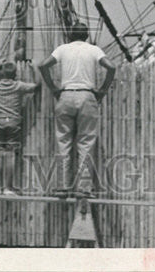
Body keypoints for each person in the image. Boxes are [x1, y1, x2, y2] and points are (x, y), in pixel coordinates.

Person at [37, 21, 117, 197]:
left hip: (65, 95)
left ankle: (63, 186)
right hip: (86, 95)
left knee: (63, 141)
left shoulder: (62, 49)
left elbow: (43, 65)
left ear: (71, 35)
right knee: (86, 143)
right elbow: (111, 67)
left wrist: (54, 88)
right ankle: (84, 188)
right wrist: (102, 90)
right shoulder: (93, 50)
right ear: (86, 35)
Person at [0, 62, 39, 195]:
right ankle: (8, 187)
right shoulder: (19, 85)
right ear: (15, 75)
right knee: (10, 154)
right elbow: (36, 86)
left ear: (1, 74)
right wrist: (35, 69)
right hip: (13, 121)